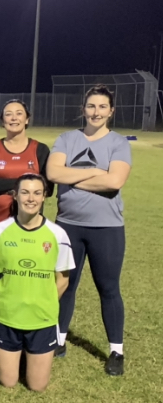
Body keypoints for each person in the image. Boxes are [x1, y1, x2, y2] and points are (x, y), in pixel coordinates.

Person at [46, 85, 132, 376]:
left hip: (106, 228)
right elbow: (54, 173)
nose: (96, 112)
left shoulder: (119, 143)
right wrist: (96, 172)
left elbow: (115, 182)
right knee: (65, 283)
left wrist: (74, 179)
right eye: (91, 106)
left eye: (102, 107)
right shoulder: (67, 139)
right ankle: (58, 340)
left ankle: (116, 351)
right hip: (68, 224)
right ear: (83, 109)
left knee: (108, 288)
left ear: (111, 111)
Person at [0, 174, 75, 391]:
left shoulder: (58, 234)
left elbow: (63, 279)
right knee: (8, 382)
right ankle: (11, 354)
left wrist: (43, 301)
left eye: (36, 193)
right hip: (7, 315)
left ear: (44, 197)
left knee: (37, 386)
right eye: (25, 192)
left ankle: (29, 353)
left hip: (42, 318)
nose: (30, 198)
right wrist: (7, 298)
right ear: (15, 196)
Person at [0, 100, 52, 347]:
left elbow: (47, 187)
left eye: (19, 113)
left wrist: (5, 182)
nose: (14, 118)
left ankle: (23, 332)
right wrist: (24, 183)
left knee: (22, 277)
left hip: (29, 226)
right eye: (8, 114)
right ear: (2, 120)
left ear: (27, 118)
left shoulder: (40, 149)